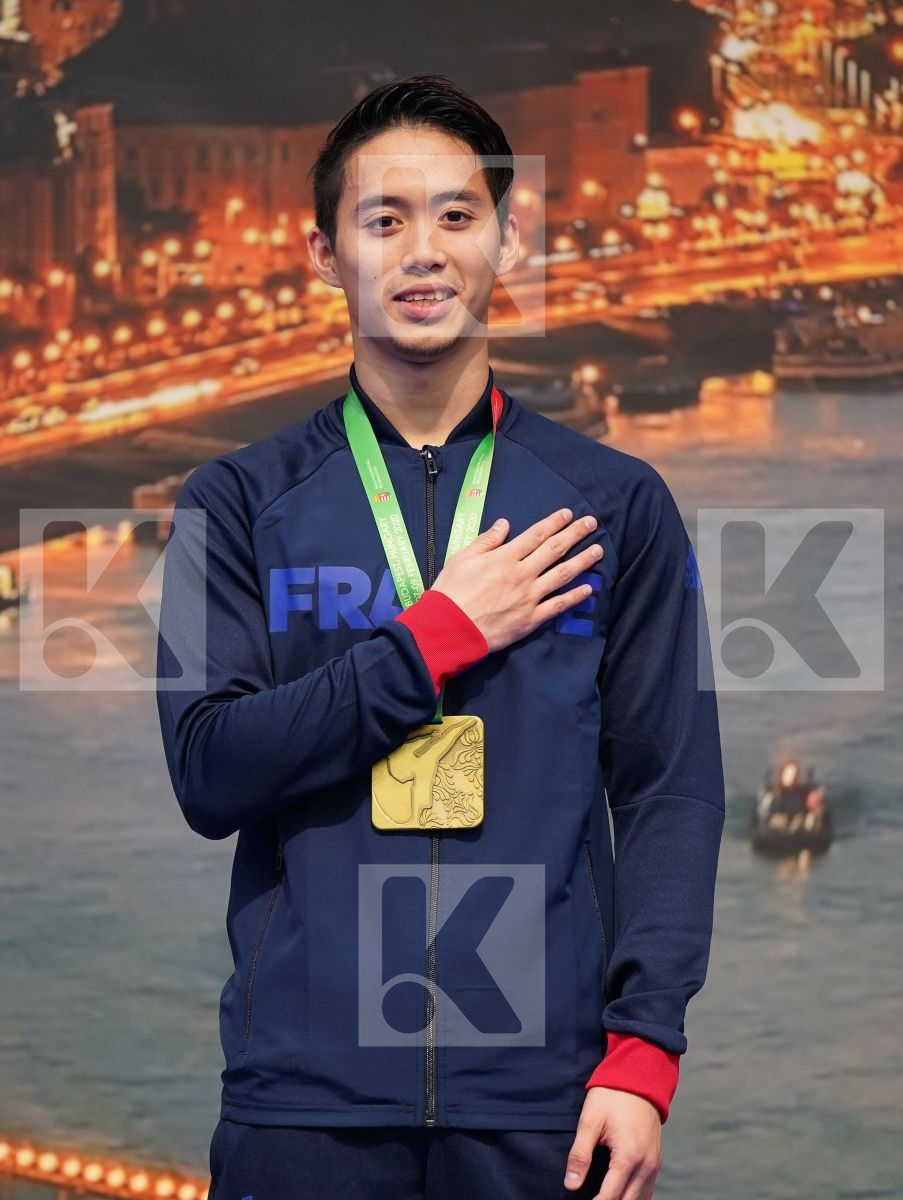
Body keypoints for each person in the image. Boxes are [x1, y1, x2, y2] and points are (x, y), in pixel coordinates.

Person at [155, 74, 725, 1200]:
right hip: (301, 1107)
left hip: (549, 1106)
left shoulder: (614, 504)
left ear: (508, 241)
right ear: (325, 255)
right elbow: (210, 772)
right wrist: (432, 640)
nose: (424, 250)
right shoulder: (233, 503)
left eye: (457, 215)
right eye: (385, 220)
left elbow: (669, 790)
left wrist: (645, 1051)